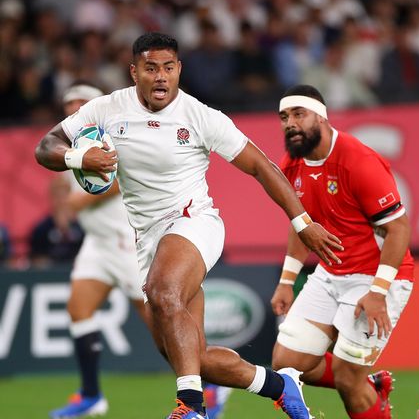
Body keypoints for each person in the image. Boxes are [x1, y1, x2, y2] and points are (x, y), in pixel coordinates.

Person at [35, 32, 343, 419]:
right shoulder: (107, 109)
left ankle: (190, 408)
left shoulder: (200, 116)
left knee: (163, 291)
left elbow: (261, 166)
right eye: (151, 68)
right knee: (192, 358)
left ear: (179, 69)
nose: (161, 77)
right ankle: (281, 386)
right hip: (148, 239)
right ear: (134, 72)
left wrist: (303, 222)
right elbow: (46, 146)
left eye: (168, 67)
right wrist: (78, 157)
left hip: (193, 222)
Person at [49, 83, 232, 419]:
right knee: (78, 307)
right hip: (97, 243)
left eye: (81, 101)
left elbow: (116, 179)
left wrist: (75, 200)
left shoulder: (112, 132)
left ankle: (208, 382)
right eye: (69, 103)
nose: (73, 107)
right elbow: (60, 186)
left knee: (162, 327)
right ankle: (91, 395)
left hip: (126, 240)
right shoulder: (74, 142)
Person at [270, 84, 414, 419]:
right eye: (283, 117)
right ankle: (370, 385)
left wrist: (378, 293)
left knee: (350, 381)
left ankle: (362, 385)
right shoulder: (291, 164)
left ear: (321, 117)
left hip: (376, 276)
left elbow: (399, 228)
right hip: (331, 273)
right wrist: (286, 280)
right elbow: (301, 225)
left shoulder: (357, 160)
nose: (289, 123)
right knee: (286, 364)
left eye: (298, 114)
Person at [28, 174, 84, 268]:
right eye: (58, 196)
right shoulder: (41, 229)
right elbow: (36, 258)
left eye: (65, 195)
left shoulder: (81, 227)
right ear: (52, 198)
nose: (61, 201)